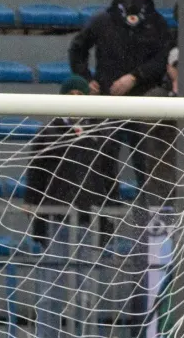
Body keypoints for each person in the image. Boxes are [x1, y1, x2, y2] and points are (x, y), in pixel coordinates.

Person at [68, 0, 174, 198]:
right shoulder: (103, 20)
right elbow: (77, 50)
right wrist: (87, 80)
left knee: (148, 167)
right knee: (103, 164)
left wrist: (136, 76)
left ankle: (151, 224)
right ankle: (107, 224)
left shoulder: (157, 24)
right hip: (107, 103)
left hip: (144, 105)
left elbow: (163, 59)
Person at [23, 75, 117, 246]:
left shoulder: (100, 133)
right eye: (70, 95)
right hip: (56, 216)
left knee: (89, 270)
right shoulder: (47, 133)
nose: (75, 100)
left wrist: (111, 210)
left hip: (90, 219)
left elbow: (109, 175)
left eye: (80, 95)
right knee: (56, 268)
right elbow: (36, 173)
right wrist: (32, 203)